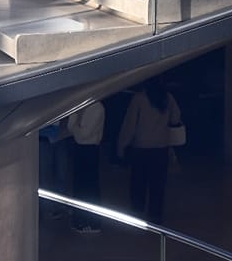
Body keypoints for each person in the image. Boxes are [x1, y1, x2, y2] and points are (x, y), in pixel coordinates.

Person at [118, 79, 181, 224]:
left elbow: (130, 124)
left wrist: (122, 145)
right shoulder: (167, 97)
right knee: (158, 184)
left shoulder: (139, 98)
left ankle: (137, 211)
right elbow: (176, 117)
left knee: (138, 181)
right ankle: (155, 215)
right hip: (161, 147)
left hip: (141, 147)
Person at [66, 99, 106, 232]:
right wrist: (77, 124)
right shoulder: (79, 105)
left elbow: (84, 134)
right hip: (80, 148)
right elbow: (71, 128)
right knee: (80, 185)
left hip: (90, 150)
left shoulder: (97, 107)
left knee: (90, 187)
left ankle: (92, 222)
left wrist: (77, 124)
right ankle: (81, 219)